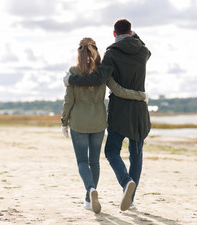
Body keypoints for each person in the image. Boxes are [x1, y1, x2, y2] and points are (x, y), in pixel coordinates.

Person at [63, 19, 151, 211]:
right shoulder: (144, 52)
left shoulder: (112, 53)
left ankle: (124, 182)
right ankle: (131, 198)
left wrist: (72, 79)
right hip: (139, 110)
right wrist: (141, 95)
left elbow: (97, 78)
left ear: (113, 34)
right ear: (131, 32)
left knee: (111, 151)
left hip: (119, 110)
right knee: (136, 154)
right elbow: (143, 46)